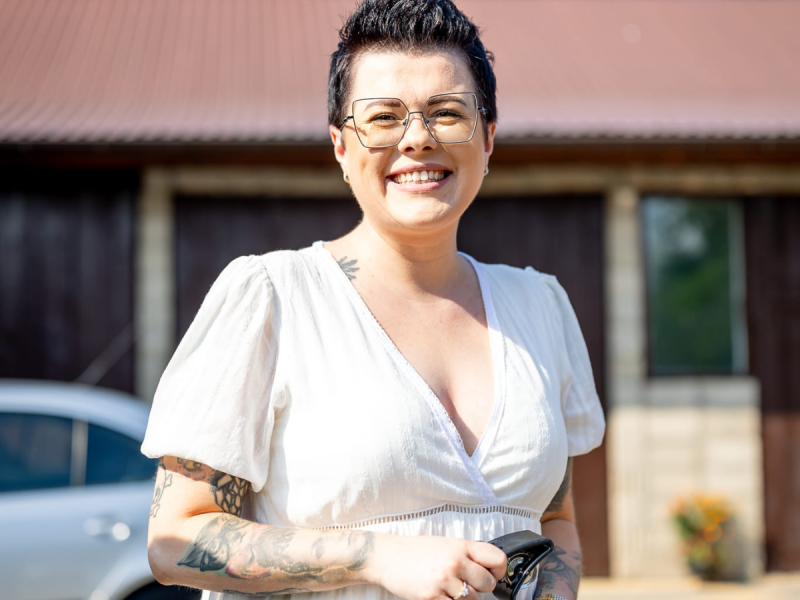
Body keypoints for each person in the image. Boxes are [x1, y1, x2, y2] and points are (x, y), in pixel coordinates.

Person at [142, 1, 605, 599]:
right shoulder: (271, 298)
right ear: (341, 145)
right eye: (383, 117)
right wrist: (373, 555)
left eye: (447, 113)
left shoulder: (540, 306)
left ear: (488, 138)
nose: (418, 139)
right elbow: (175, 539)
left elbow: (554, 519)